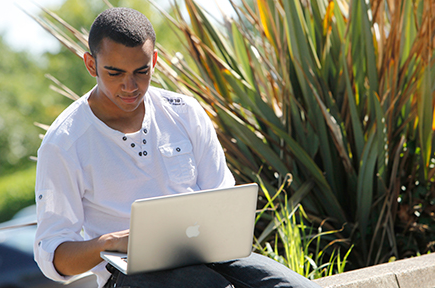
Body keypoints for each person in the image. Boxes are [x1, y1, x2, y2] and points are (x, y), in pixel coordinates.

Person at [33, 7, 322, 288]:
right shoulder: (65, 142)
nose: (130, 85)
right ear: (90, 64)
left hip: (211, 259)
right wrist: (113, 242)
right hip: (128, 277)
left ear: (155, 60)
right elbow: (54, 257)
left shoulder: (185, 112)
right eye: (115, 73)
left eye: (141, 71)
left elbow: (222, 201)